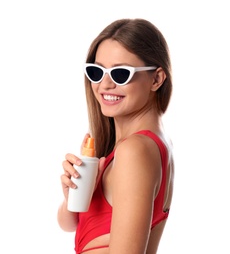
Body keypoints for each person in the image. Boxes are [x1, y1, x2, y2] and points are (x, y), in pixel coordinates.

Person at [57, 18, 174, 254]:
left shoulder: (135, 150)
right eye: (96, 72)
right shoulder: (125, 148)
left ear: (156, 79)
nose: (105, 84)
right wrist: (75, 193)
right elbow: (70, 225)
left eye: (121, 73)